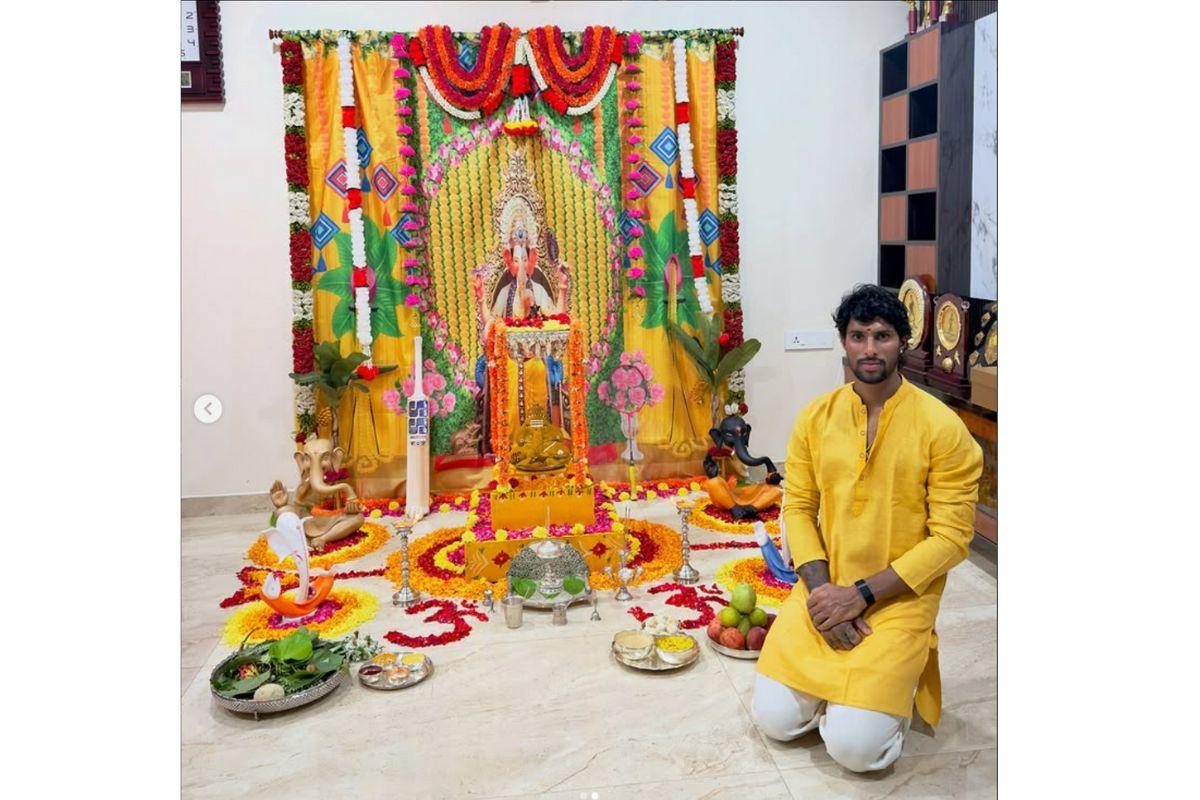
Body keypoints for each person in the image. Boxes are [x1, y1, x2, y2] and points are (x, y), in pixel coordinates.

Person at [751, 284, 982, 773]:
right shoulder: (816, 417)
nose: (870, 349)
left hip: (899, 599)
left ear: (904, 342)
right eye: (858, 336)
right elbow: (799, 507)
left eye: (882, 336)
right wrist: (822, 597)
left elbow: (951, 538)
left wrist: (860, 596)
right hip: (823, 588)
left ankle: (885, 694)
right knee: (774, 720)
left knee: (857, 752)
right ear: (844, 341)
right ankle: (848, 696)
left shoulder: (942, 429)